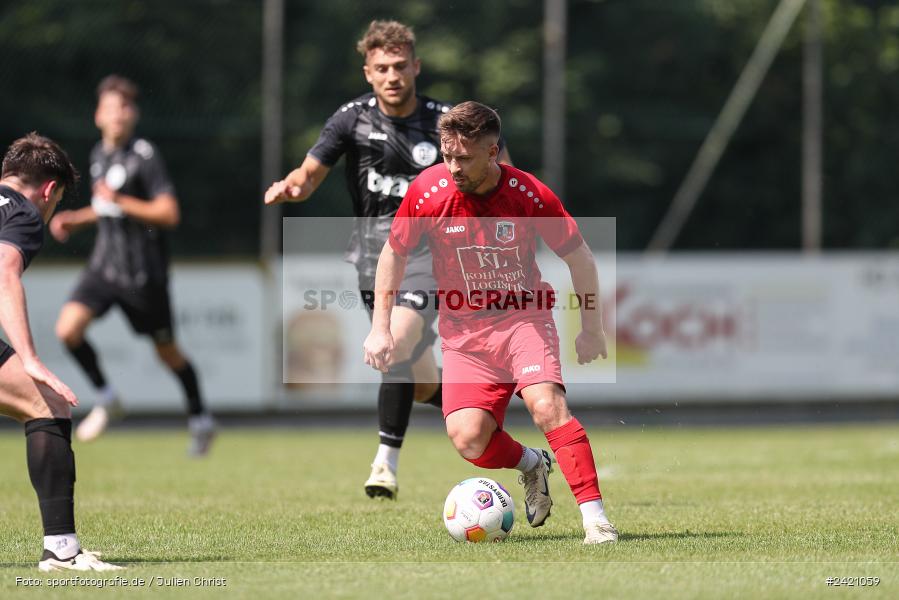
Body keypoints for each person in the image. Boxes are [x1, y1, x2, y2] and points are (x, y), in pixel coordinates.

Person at [266, 20, 510, 499]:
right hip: (371, 260)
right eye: (382, 68)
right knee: (417, 383)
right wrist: (296, 185)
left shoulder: (446, 123)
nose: (393, 75)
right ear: (368, 72)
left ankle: (384, 465)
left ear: (416, 66)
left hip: (432, 258)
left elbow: (492, 173)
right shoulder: (350, 119)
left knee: (394, 343)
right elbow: (311, 172)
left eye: (401, 66)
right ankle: (474, 405)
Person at [363, 101, 619, 544]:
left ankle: (595, 519)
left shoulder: (528, 194)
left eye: (464, 158)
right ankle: (532, 464)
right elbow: (394, 253)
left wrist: (592, 326)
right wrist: (381, 328)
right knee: (468, 440)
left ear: (493, 151)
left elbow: (579, 256)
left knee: (545, 405)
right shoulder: (428, 191)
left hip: (524, 320)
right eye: (447, 156)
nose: (454, 167)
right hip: (464, 335)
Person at [48, 75, 215, 456]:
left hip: (144, 276)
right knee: (68, 329)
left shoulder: (145, 155)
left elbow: (168, 213)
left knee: (168, 353)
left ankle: (201, 418)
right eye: (110, 107)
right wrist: (78, 217)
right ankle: (108, 398)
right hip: (104, 267)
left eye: (124, 107)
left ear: (133, 114)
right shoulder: (98, 155)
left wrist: (120, 201)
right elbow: (107, 205)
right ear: (97, 116)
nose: (117, 114)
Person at [0, 133, 123, 570]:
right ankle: (63, 550)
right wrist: (29, 358)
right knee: (47, 403)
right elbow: (5, 272)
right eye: (55, 200)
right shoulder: (24, 213)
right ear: (49, 190)